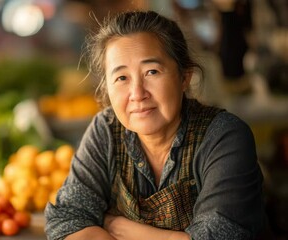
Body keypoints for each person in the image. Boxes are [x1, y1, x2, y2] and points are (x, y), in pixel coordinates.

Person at [44, 10, 266, 240]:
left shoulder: (224, 136)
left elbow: (221, 235)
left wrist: (129, 231)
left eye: (152, 72)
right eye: (122, 78)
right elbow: (67, 219)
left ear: (184, 77)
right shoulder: (106, 130)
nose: (137, 94)